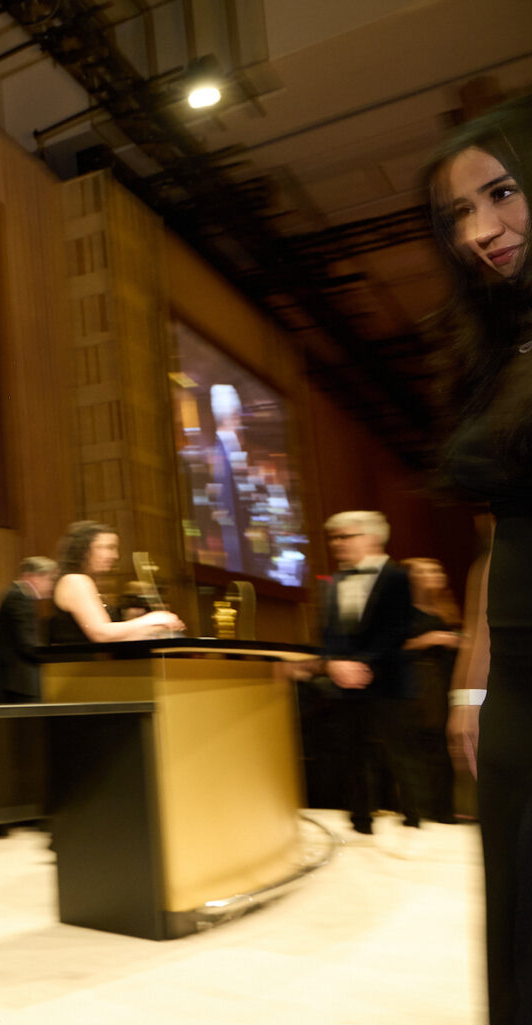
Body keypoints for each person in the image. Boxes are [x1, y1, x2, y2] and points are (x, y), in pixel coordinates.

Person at [429, 95, 532, 1025]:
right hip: (519, 688)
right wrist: (472, 679)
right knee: (516, 932)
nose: (481, 231)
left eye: (501, 193)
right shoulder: (501, 347)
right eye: (459, 213)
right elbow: (497, 533)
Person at [312, 511, 423, 838]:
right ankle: (361, 826)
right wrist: (333, 663)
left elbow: (398, 630)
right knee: (352, 757)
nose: (337, 544)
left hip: (390, 682)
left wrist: (363, 664)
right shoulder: (332, 582)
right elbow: (327, 633)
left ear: (372, 538)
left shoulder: (398, 577)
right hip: (345, 684)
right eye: (334, 538)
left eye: (346, 537)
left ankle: (416, 826)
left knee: (400, 758)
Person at [48, 520, 183, 644]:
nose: (115, 556)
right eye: (108, 547)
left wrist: (157, 628)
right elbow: (101, 634)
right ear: (84, 549)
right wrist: (150, 620)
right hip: (80, 668)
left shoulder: (79, 580)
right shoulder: (75, 580)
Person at [400, 557, 462, 822]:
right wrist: (431, 639)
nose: (435, 574)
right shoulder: (402, 610)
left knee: (442, 754)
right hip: (421, 689)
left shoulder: (443, 608)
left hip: (443, 684)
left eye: (437, 569)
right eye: (424, 571)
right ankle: (424, 815)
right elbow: (389, 647)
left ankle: (444, 813)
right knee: (426, 752)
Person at [0, 555, 57, 701]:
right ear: (34, 577)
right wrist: (56, 657)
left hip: (16, 682)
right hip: (20, 684)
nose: (51, 586)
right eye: (49, 579)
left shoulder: (15, 595)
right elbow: (28, 645)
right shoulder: (19, 597)